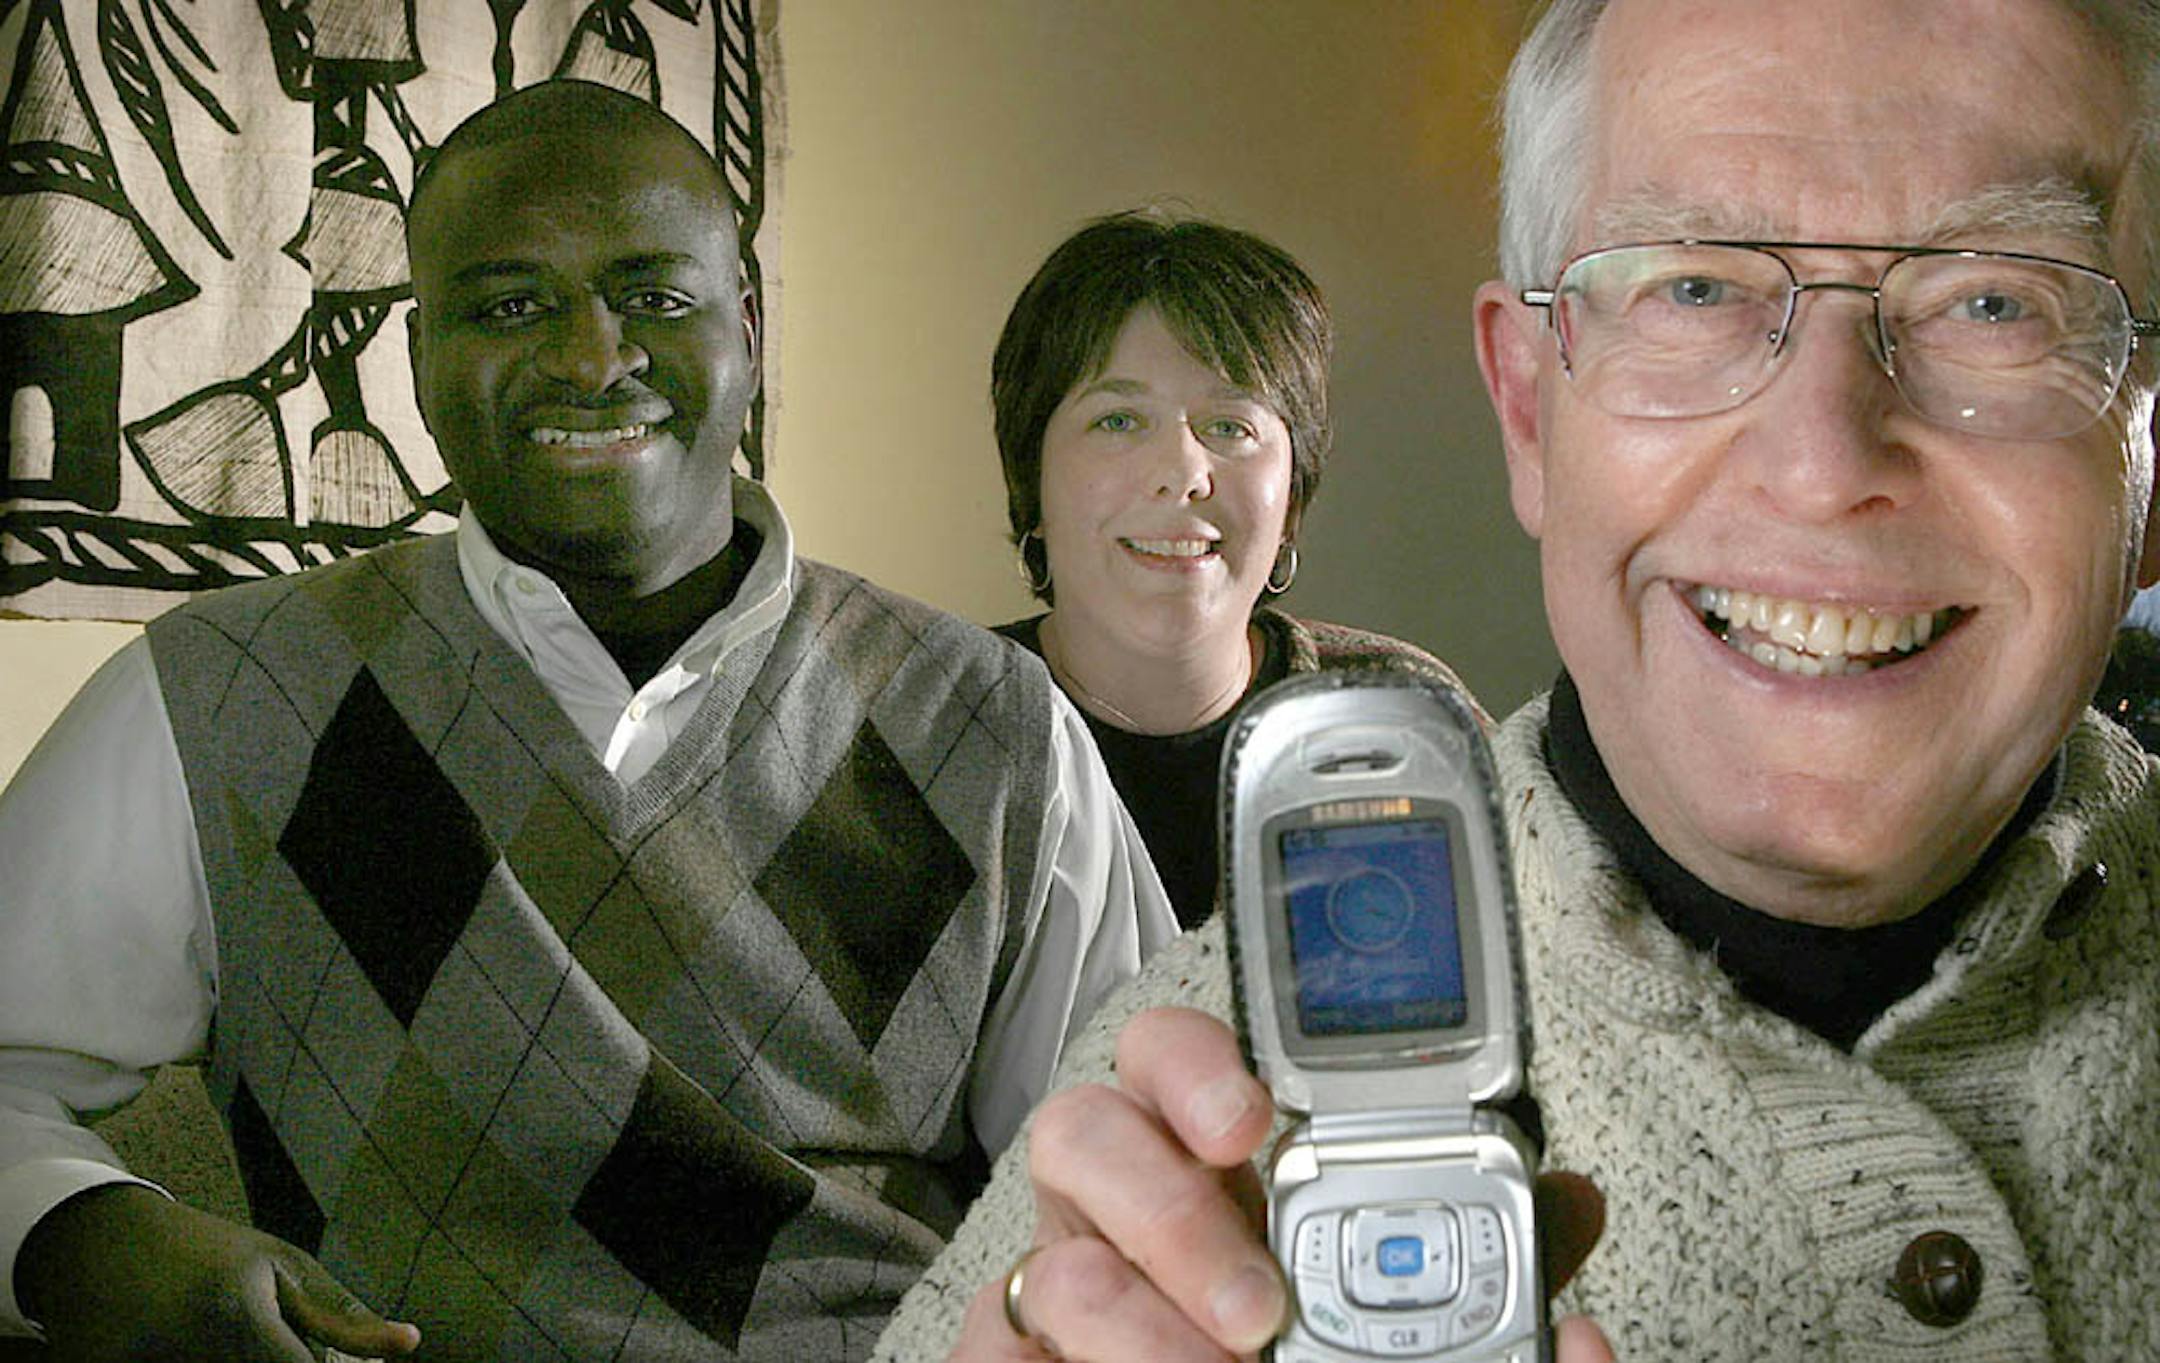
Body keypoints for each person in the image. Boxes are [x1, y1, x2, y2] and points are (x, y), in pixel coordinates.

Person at [877, 0, 2160, 1358]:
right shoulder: (1169, 1135)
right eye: (1695, 288)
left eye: (1998, 300)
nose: (1824, 459)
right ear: (1530, 409)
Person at [0, 80, 1175, 1362]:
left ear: (748, 330)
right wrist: (76, 1232)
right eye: (510, 307)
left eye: (655, 297)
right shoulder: (219, 695)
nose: (590, 356)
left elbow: (1141, 1174)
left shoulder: (994, 729)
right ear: (417, 364)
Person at [992, 210, 1480, 929]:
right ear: (1032, 480)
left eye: (1230, 427)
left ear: (1293, 495)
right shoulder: (939, 725)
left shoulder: (1402, 714)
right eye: (1118, 421)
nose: (1183, 473)